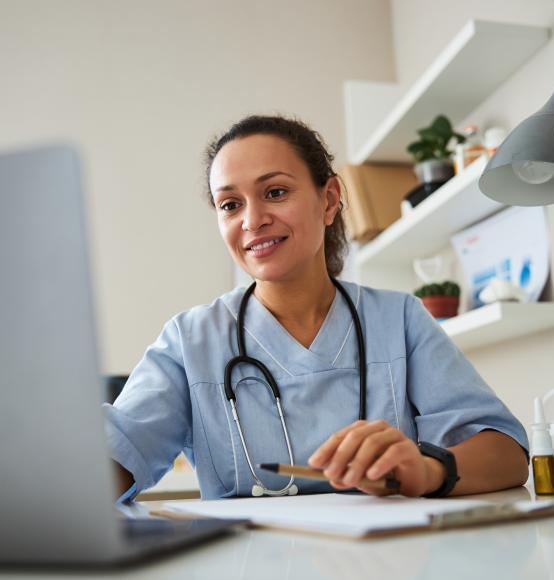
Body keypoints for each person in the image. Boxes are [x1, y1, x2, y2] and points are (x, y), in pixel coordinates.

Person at [105, 115, 529, 502]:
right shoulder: (189, 341)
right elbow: (114, 458)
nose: (252, 220)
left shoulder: (398, 320)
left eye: (275, 192)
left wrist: (427, 470)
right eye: (230, 204)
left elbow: (507, 453)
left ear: (328, 201)